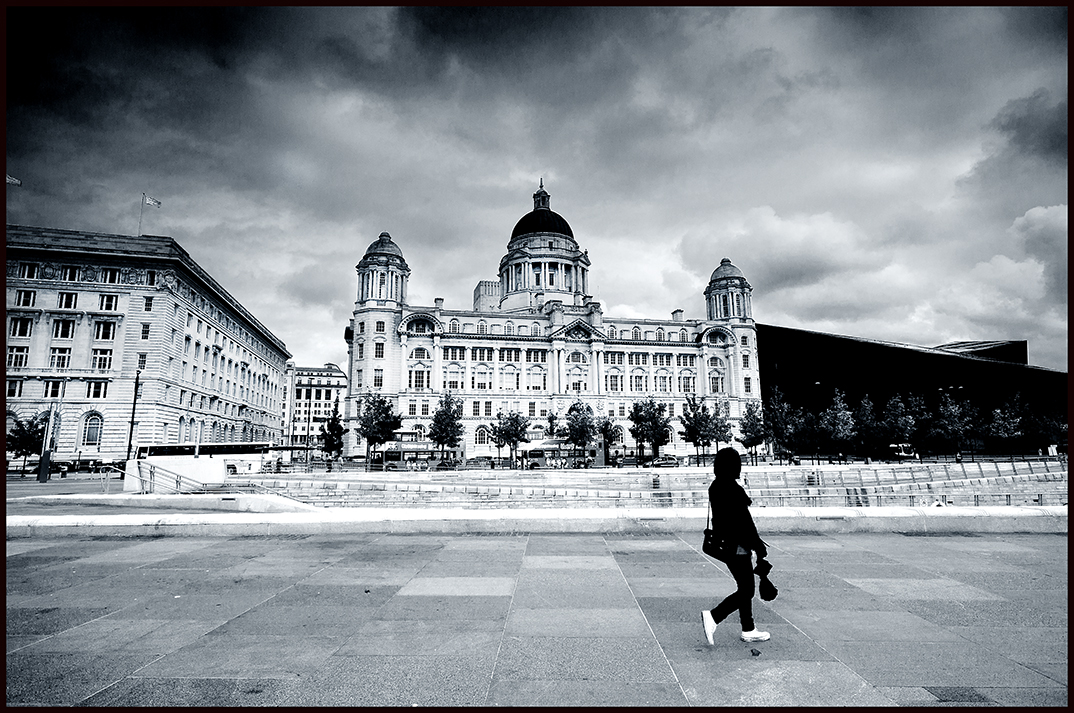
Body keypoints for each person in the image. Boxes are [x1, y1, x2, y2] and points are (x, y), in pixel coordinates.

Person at [702, 447, 771, 645]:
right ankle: (714, 617)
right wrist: (759, 546)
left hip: (726, 544)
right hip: (738, 546)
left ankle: (748, 628)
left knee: (744, 586)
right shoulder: (733, 489)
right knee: (747, 590)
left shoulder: (715, 486)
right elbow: (744, 522)